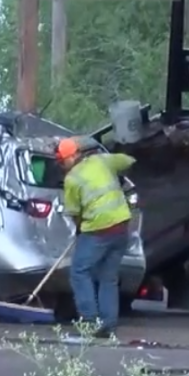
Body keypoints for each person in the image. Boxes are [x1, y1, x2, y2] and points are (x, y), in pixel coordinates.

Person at [57, 136, 137, 339]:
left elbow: (75, 212)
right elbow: (128, 161)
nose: (61, 164)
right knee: (108, 277)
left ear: (71, 156)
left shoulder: (72, 179)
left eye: (61, 160)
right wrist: (117, 177)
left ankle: (90, 322)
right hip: (121, 225)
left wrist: (80, 229)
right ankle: (108, 326)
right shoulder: (102, 161)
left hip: (99, 229)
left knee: (79, 271)